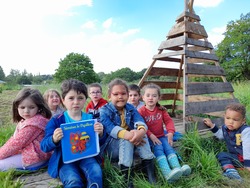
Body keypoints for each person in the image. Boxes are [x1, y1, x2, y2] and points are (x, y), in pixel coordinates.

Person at [41, 79, 103, 188]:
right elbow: (44, 146)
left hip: (87, 156)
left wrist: (101, 133)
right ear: (63, 100)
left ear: (85, 100)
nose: (76, 102)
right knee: (73, 180)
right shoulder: (57, 121)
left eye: (80, 98)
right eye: (71, 98)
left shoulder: (91, 119)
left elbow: (100, 142)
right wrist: (54, 139)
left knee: (96, 173)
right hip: (65, 160)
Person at [99, 78, 156, 188]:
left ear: (127, 94)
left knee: (141, 133)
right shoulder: (104, 111)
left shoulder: (130, 108)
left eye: (123, 94)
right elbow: (110, 129)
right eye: (116, 94)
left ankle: (150, 175)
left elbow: (139, 120)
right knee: (126, 137)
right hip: (112, 149)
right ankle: (127, 179)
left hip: (132, 142)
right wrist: (130, 135)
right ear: (109, 96)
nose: (120, 97)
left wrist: (140, 132)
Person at [138, 83, 191, 183]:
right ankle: (167, 173)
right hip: (149, 138)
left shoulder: (161, 109)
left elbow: (168, 121)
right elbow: (142, 125)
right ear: (143, 97)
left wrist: (170, 133)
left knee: (168, 147)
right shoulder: (141, 111)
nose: (151, 98)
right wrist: (151, 135)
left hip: (162, 135)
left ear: (158, 98)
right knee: (159, 149)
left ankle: (177, 169)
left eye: (154, 96)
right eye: (148, 95)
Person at [0, 87, 52, 171]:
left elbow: (16, 144)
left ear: (39, 107)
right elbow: (15, 140)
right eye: (22, 107)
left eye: (31, 107)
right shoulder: (27, 120)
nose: (26, 111)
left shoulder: (34, 123)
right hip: (32, 154)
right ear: (17, 107)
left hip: (34, 158)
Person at [203, 103, 250, 181]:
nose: (231, 122)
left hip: (247, 158)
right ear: (224, 117)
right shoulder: (225, 128)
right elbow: (221, 135)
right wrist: (212, 126)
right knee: (222, 155)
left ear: (243, 121)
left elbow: (247, 147)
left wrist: (248, 164)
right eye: (228, 118)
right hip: (236, 157)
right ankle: (232, 172)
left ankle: (242, 167)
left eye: (235, 120)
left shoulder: (245, 131)